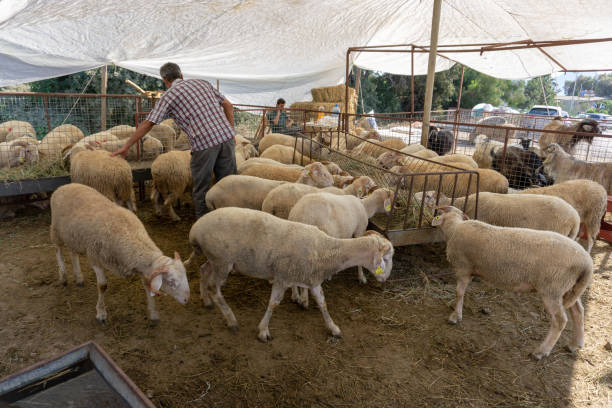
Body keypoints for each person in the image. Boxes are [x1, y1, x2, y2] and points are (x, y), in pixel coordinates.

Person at [111, 62, 236, 219]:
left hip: (204, 145)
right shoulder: (202, 83)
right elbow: (228, 105)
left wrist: (126, 146)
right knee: (229, 184)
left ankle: (205, 226)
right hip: (226, 138)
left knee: (201, 189)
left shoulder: (168, 96)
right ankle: (231, 220)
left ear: (165, 80)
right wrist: (231, 132)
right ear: (181, 75)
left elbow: (148, 123)